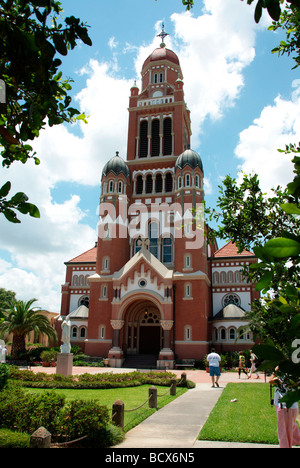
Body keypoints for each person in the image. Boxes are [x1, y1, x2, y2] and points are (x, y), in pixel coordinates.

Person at [269, 368, 300, 448]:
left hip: (284, 406)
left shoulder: (284, 374)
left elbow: (271, 381)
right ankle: (296, 440)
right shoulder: (294, 372)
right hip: (289, 405)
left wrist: (275, 372)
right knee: (289, 428)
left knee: (283, 432)